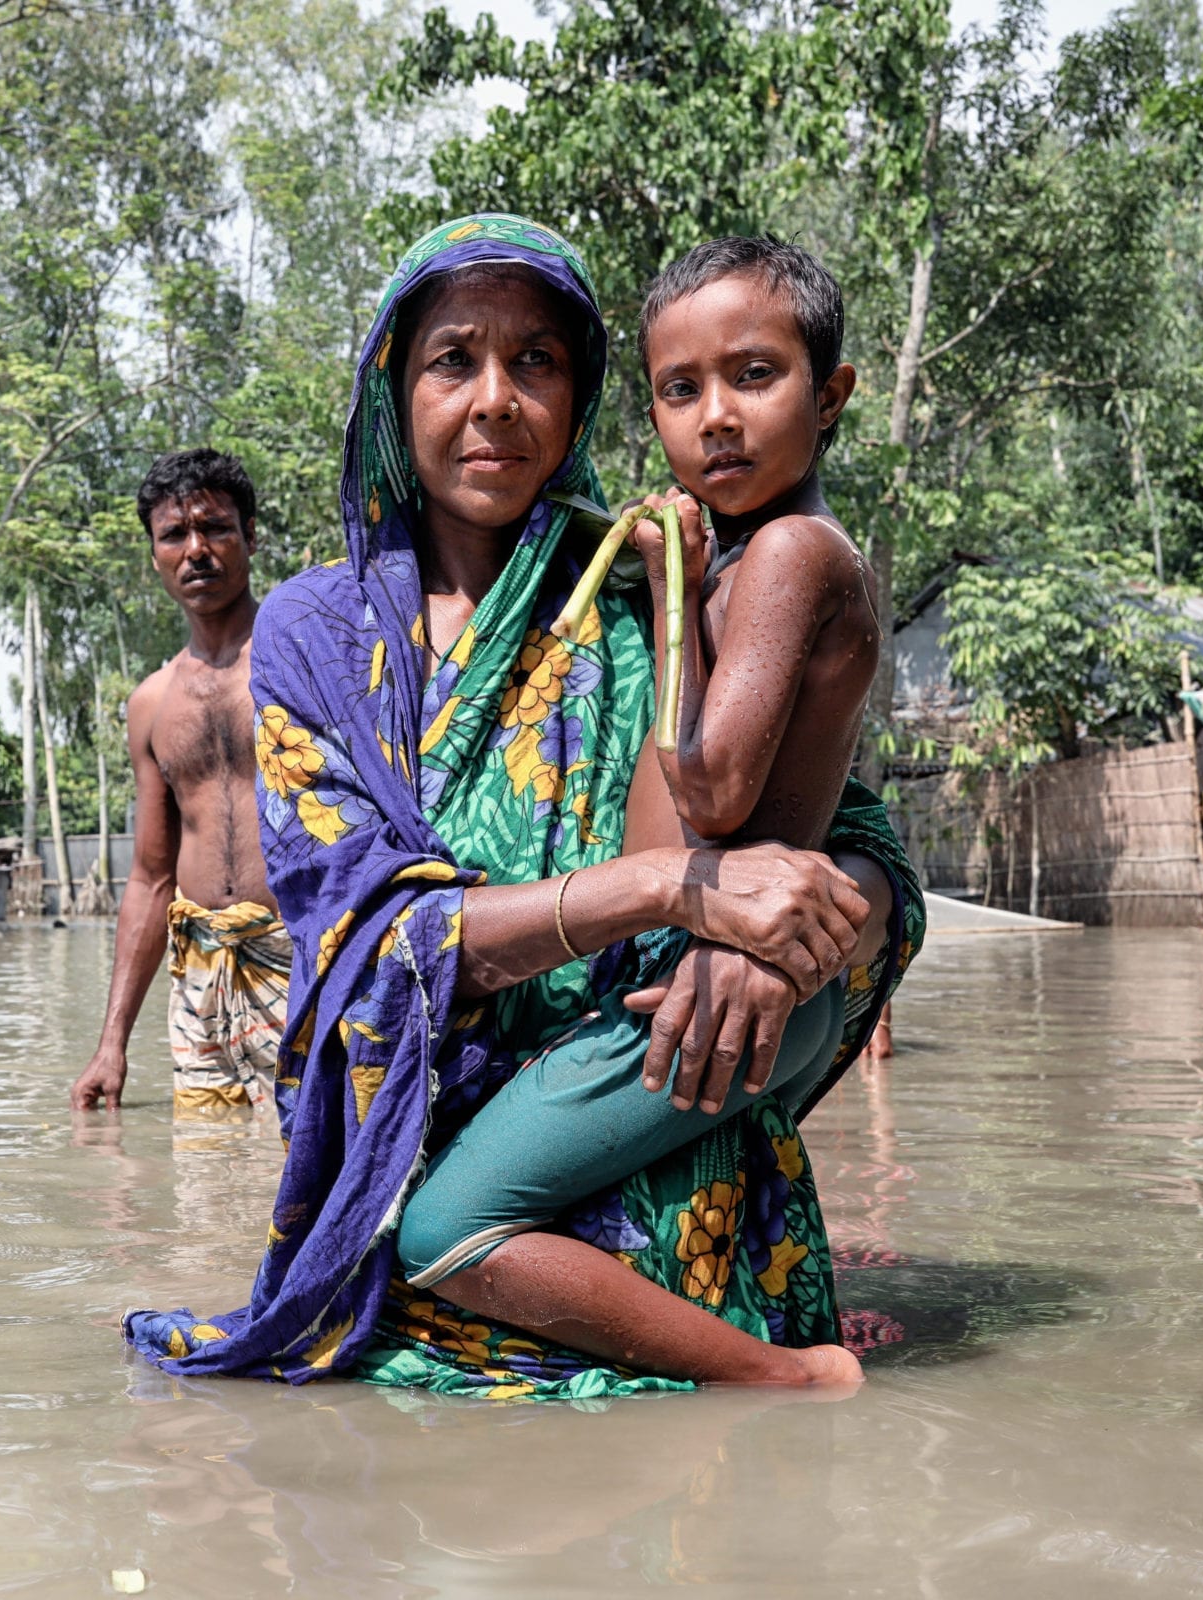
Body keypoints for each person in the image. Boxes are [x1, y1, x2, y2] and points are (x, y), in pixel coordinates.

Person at [125, 215, 924, 1397]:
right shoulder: (313, 636)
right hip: (428, 1157)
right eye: (454, 360)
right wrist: (673, 887)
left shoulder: (654, 582)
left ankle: (769, 1359)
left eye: (535, 363)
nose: (494, 399)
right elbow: (370, 929)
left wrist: (786, 948)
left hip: (651, 1090)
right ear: (394, 389)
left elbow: (849, 843)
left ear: (583, 397)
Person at [71, 450, 290, 1120]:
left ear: (250, 537)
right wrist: (111, 1045)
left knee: (309, 1173)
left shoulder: (301, 659)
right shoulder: (152, 703)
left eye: (216, 529)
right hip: (199, 975)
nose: (196, 550)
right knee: (204, 1178)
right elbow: (149, 878)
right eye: (175, 535)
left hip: (301, 955)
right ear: (155, 554)